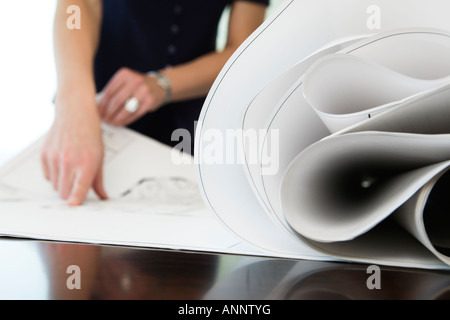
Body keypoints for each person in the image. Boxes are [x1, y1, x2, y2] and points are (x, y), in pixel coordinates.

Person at [41, 0, 269, 206]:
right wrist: (74, 100)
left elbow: (242, 49)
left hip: (189, 127)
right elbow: (76, 6)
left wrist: (163, 84)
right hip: (99, 113)